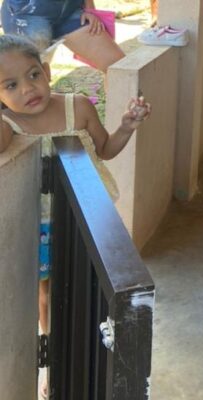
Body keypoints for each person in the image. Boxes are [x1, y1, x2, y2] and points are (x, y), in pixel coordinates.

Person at [0, 34, 150, 398]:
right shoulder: (9, 126)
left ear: (48, 72)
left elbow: (105, 149)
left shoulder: (77, 106)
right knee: (48, 292)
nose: (28, 89)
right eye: (11, 85)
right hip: (40, 227)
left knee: (95, 287)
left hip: (90, 217)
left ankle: (91, 347)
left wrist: (127, 126)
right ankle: (54, 357)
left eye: (34, 74)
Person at [1, 0, 125, 72]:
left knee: (117, 67)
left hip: (70, 10)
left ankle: (124, 116)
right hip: (27, 14)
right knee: (26, 78)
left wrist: (89, 9)